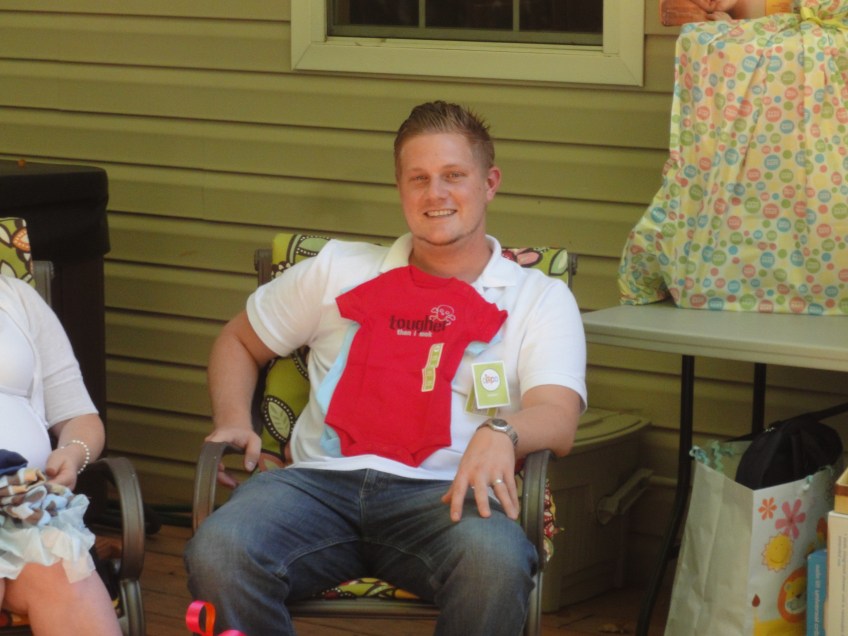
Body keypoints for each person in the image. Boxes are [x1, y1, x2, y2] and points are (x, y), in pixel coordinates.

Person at [185, 100, 587, 635]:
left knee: (494, 562)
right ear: (400, 188)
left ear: (489, 183)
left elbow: (558, 416)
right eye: (418, 178)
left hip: (447, 496)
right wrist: (234, 420)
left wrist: (503, 431)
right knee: (219, 550)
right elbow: (238, 340)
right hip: (313, 489)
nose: (435, 193)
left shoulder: (537, 297)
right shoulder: (338, 270)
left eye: (453, 175)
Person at [0, 273, 121, 635]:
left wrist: (72, 452)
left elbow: (79, 416)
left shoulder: (15, 297)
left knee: (66, 575)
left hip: (21, 505)